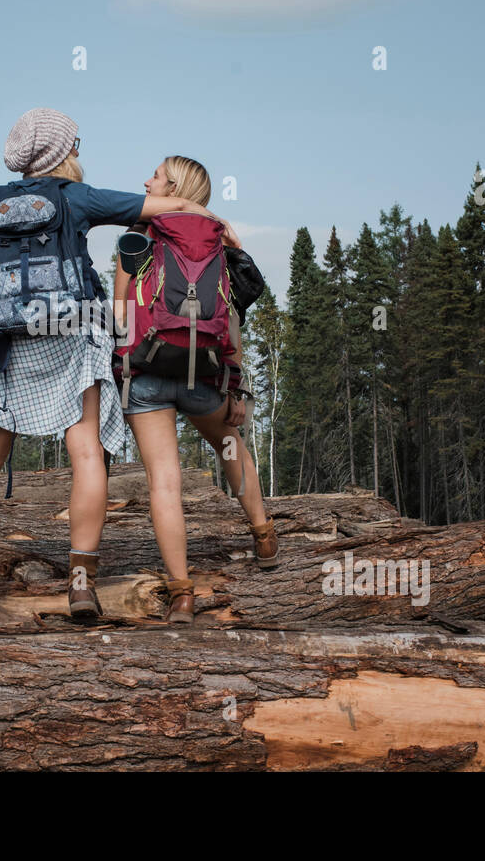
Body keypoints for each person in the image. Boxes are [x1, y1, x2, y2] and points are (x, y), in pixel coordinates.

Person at [0, 113, 240, 624]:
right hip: (73, 331)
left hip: (9, 342)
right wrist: (218, 223)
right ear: (63, 152)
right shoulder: (75, 197)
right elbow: (170, 205)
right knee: (86, 451)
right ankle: (81, 587)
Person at [111, 155, 278, 624]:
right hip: (204, 373)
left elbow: (121, 315)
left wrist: (119, 369)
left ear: (174, 186)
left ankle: (182, 594)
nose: (146, 180)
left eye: (156, 175)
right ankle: (263, 534)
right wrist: (237, 385)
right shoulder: (218, 244)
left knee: (165, 481)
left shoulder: (136, 239)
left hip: (147, 373)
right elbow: (232, 319)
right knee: (231, 448)